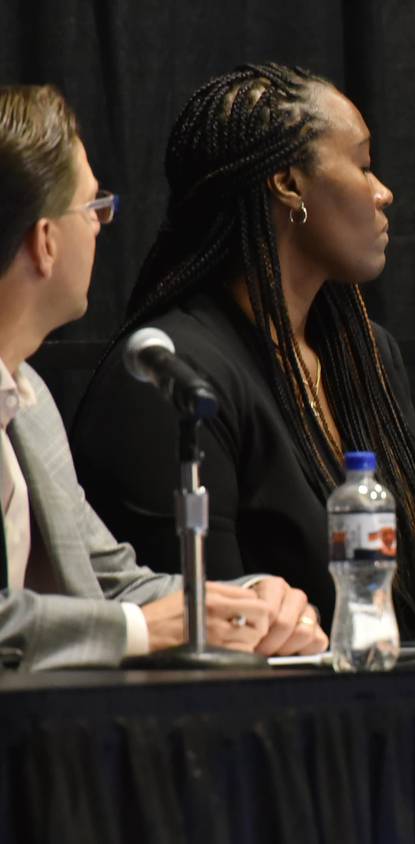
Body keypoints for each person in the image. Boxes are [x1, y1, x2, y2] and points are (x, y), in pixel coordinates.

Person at [70, 64, 415, 639]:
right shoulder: (171, 377)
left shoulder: (367, 356)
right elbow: (209, 633)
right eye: (364, 164)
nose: (383, 192)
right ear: (288, 183)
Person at [0, 84, 325, 669]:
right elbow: (115, 615)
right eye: (94, 208)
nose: (102, 227)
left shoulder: (29, 401)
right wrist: (138, 629)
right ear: (45, 243)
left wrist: (245, 602)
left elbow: (113, 581)